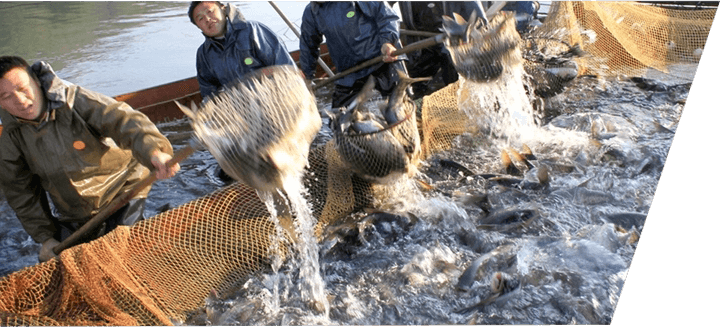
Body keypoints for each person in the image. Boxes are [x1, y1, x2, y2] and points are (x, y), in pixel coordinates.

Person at [0, 56, 180, 262]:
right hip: (74, 211)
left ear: (36, 82)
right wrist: (45, 237)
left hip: (121, 190)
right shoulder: (11, 138)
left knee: (120, 255)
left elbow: (124, 121)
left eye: (23, 89)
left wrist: (154, 153)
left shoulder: (75, 100)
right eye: (6, 96)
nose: (21, 101)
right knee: (61, 262)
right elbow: (21, 193)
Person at [300, 1, 410, 108]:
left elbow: (387, 17)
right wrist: (307, 75)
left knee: (399, 108)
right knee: (339, 118)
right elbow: (308, 45)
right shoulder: (311, 12)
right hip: (350, 74)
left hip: (383, 61)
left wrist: (388, 42)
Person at [188, 1, 296, 99]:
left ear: (223, 9)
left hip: (275, 98)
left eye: (210, 12)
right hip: (240, 109)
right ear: (198, 26)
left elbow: (284, 67)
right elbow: (209, 90)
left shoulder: (253, 30)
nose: (207, 19)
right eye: (200, 18)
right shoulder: (204, 54)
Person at [395, 1, 488, 98]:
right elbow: (382, 9)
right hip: (418, 40)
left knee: (451, 62)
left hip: (453, 39)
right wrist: (388, 40)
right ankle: (419, 100)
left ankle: (457, 99)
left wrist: (477, 31)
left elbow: (481, 22)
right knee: (410, 76)